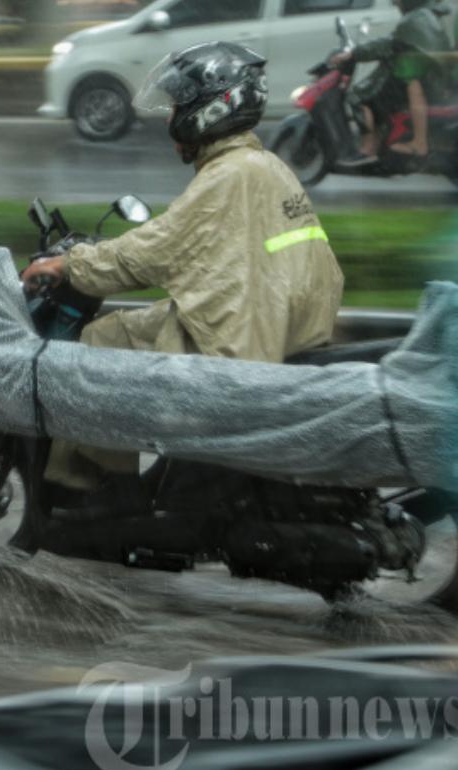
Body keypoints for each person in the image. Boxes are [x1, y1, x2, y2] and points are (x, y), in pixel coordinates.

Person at [21, 42, 344, 498]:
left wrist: (68, 264)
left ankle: (94, 492)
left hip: (241, 337)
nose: (171, 116)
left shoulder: (228, 175)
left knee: (97, 343)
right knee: (152, 320)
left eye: (178, 105)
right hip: (280, 323)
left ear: (208, 110)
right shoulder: (265, 166)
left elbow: (151, 253)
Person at [327, 0, 452, 165]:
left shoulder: (415, 19)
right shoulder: (429, 14)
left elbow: (389, 44)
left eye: (398, 2)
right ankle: (384, 141)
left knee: (357, 97)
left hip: (422, 80)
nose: (396, 4)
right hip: (432, 78)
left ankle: (369, 148)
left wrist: (353, 54)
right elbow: (394, 41)